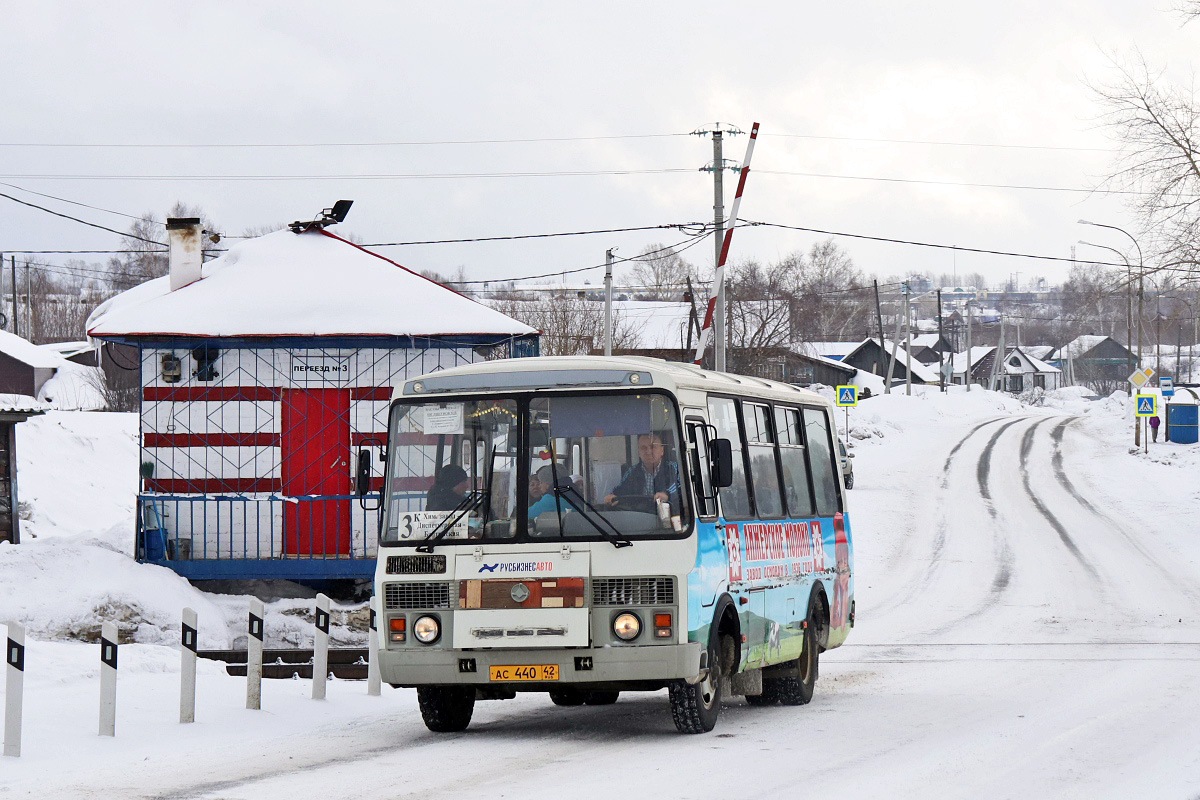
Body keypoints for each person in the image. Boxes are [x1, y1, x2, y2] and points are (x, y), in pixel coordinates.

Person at [604, 433, 681, 512]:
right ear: (639, 453)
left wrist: (667, 496)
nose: (648, 452)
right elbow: (621, 490)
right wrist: (612, 497)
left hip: (668, 517)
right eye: (643, 448)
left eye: (652, 447)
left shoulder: (675, 469)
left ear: (662, 450)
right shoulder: (632, 472)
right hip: (639, 518)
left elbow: (682, 492)